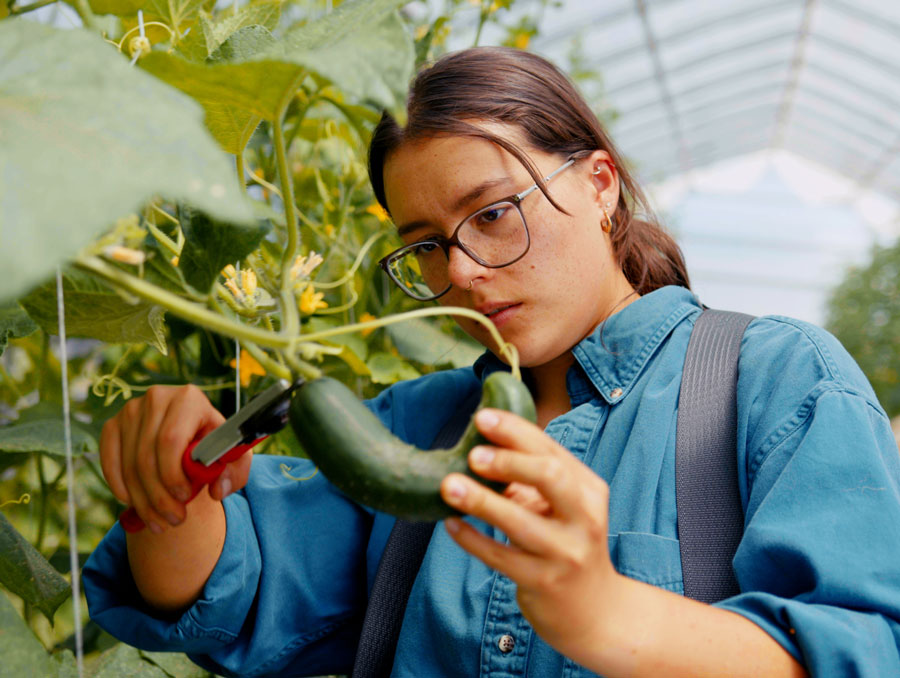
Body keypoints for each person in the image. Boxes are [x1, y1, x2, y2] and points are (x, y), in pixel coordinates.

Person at [83, 47, 900, 677]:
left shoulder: (777, 379)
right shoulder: (416, 423)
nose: (463, 272)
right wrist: (170, 496)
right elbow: (236, 596)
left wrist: (607, 613)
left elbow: (863, 651)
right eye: (427, 247)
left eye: (494, 214)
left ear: (600, 185)